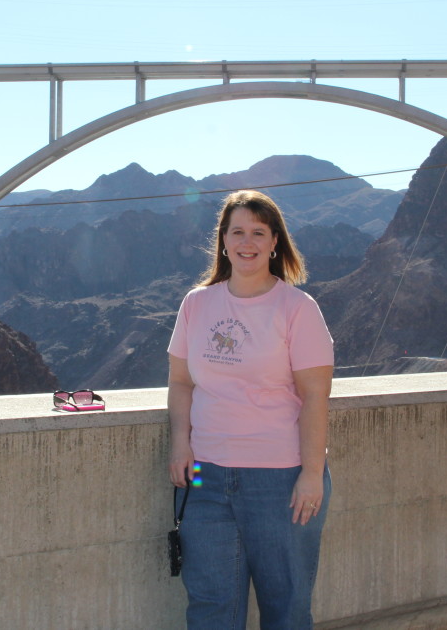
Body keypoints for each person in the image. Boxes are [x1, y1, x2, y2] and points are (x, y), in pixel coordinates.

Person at [167, 190, 335, 630]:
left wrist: (312, 474)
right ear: (222, 241)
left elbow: (316, 396)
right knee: (210, 605)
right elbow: (182, 382)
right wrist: (180, 445)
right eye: (237, 231)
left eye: (258, 232)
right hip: (204, 476)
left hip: (280, 479)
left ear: (275, 242)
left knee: (286, 606)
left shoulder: (298, 309)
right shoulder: (196, 304)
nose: (247, 241)